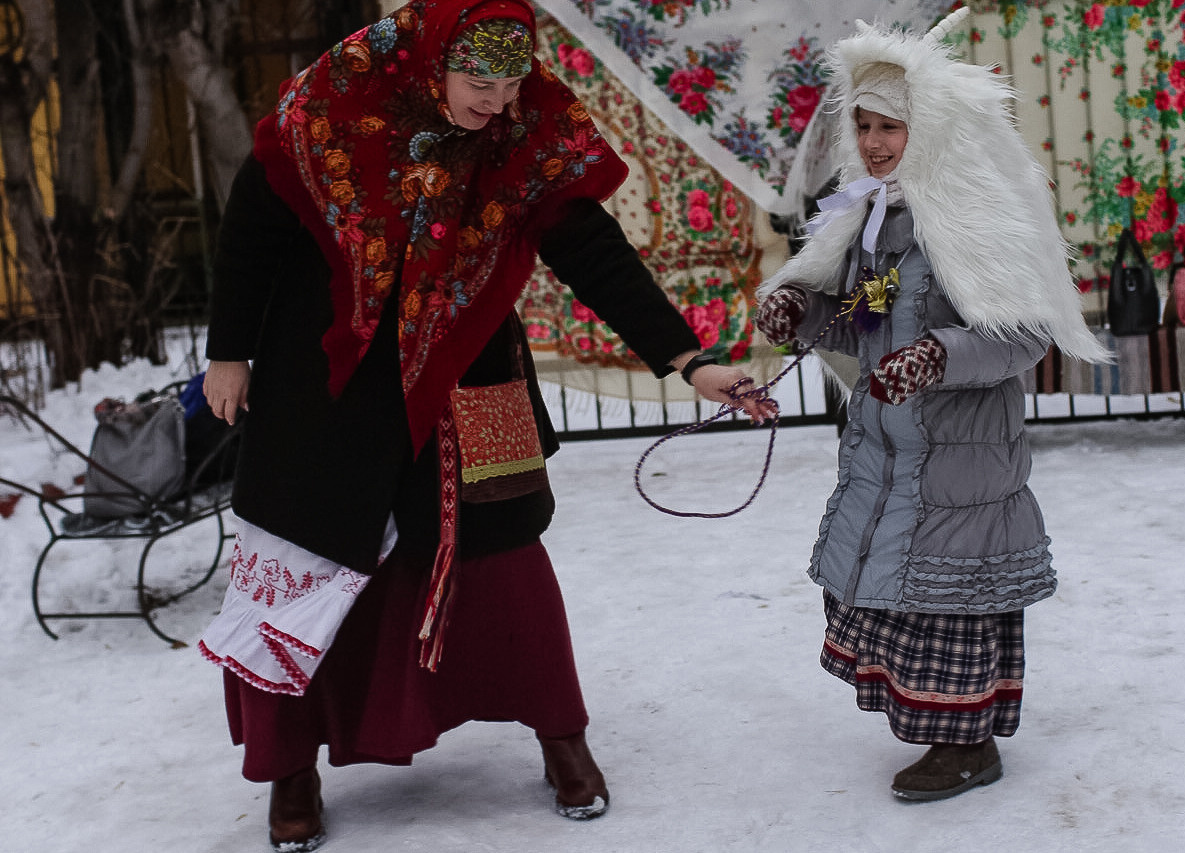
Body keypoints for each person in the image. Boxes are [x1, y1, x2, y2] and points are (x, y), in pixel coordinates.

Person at [196, 2, 773, 849]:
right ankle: (290, 768)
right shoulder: (332, 104)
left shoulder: (523, 130)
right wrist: (229, 350)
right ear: (432, 64)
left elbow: (592, 248)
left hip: (475, 376)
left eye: (511, 84)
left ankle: (561, 736)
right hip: (324, 377)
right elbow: (253, 223)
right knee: (306, 552)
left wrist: (687, 360)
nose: (498, 104)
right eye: (480, 83)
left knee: (504, 560)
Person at [753, 7, 1109, 802]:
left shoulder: (975, 216)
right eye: (868, 126)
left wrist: (938, 355)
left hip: (961, 459)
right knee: (903, 595)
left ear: (935, 130)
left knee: (947, 604)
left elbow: (1023, 338)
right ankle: (942, 728)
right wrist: (801, 313)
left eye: (894, 127)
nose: (877, 142)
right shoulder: (870, 218)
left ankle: (968, 743)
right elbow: (861, 318)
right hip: (889, 449)